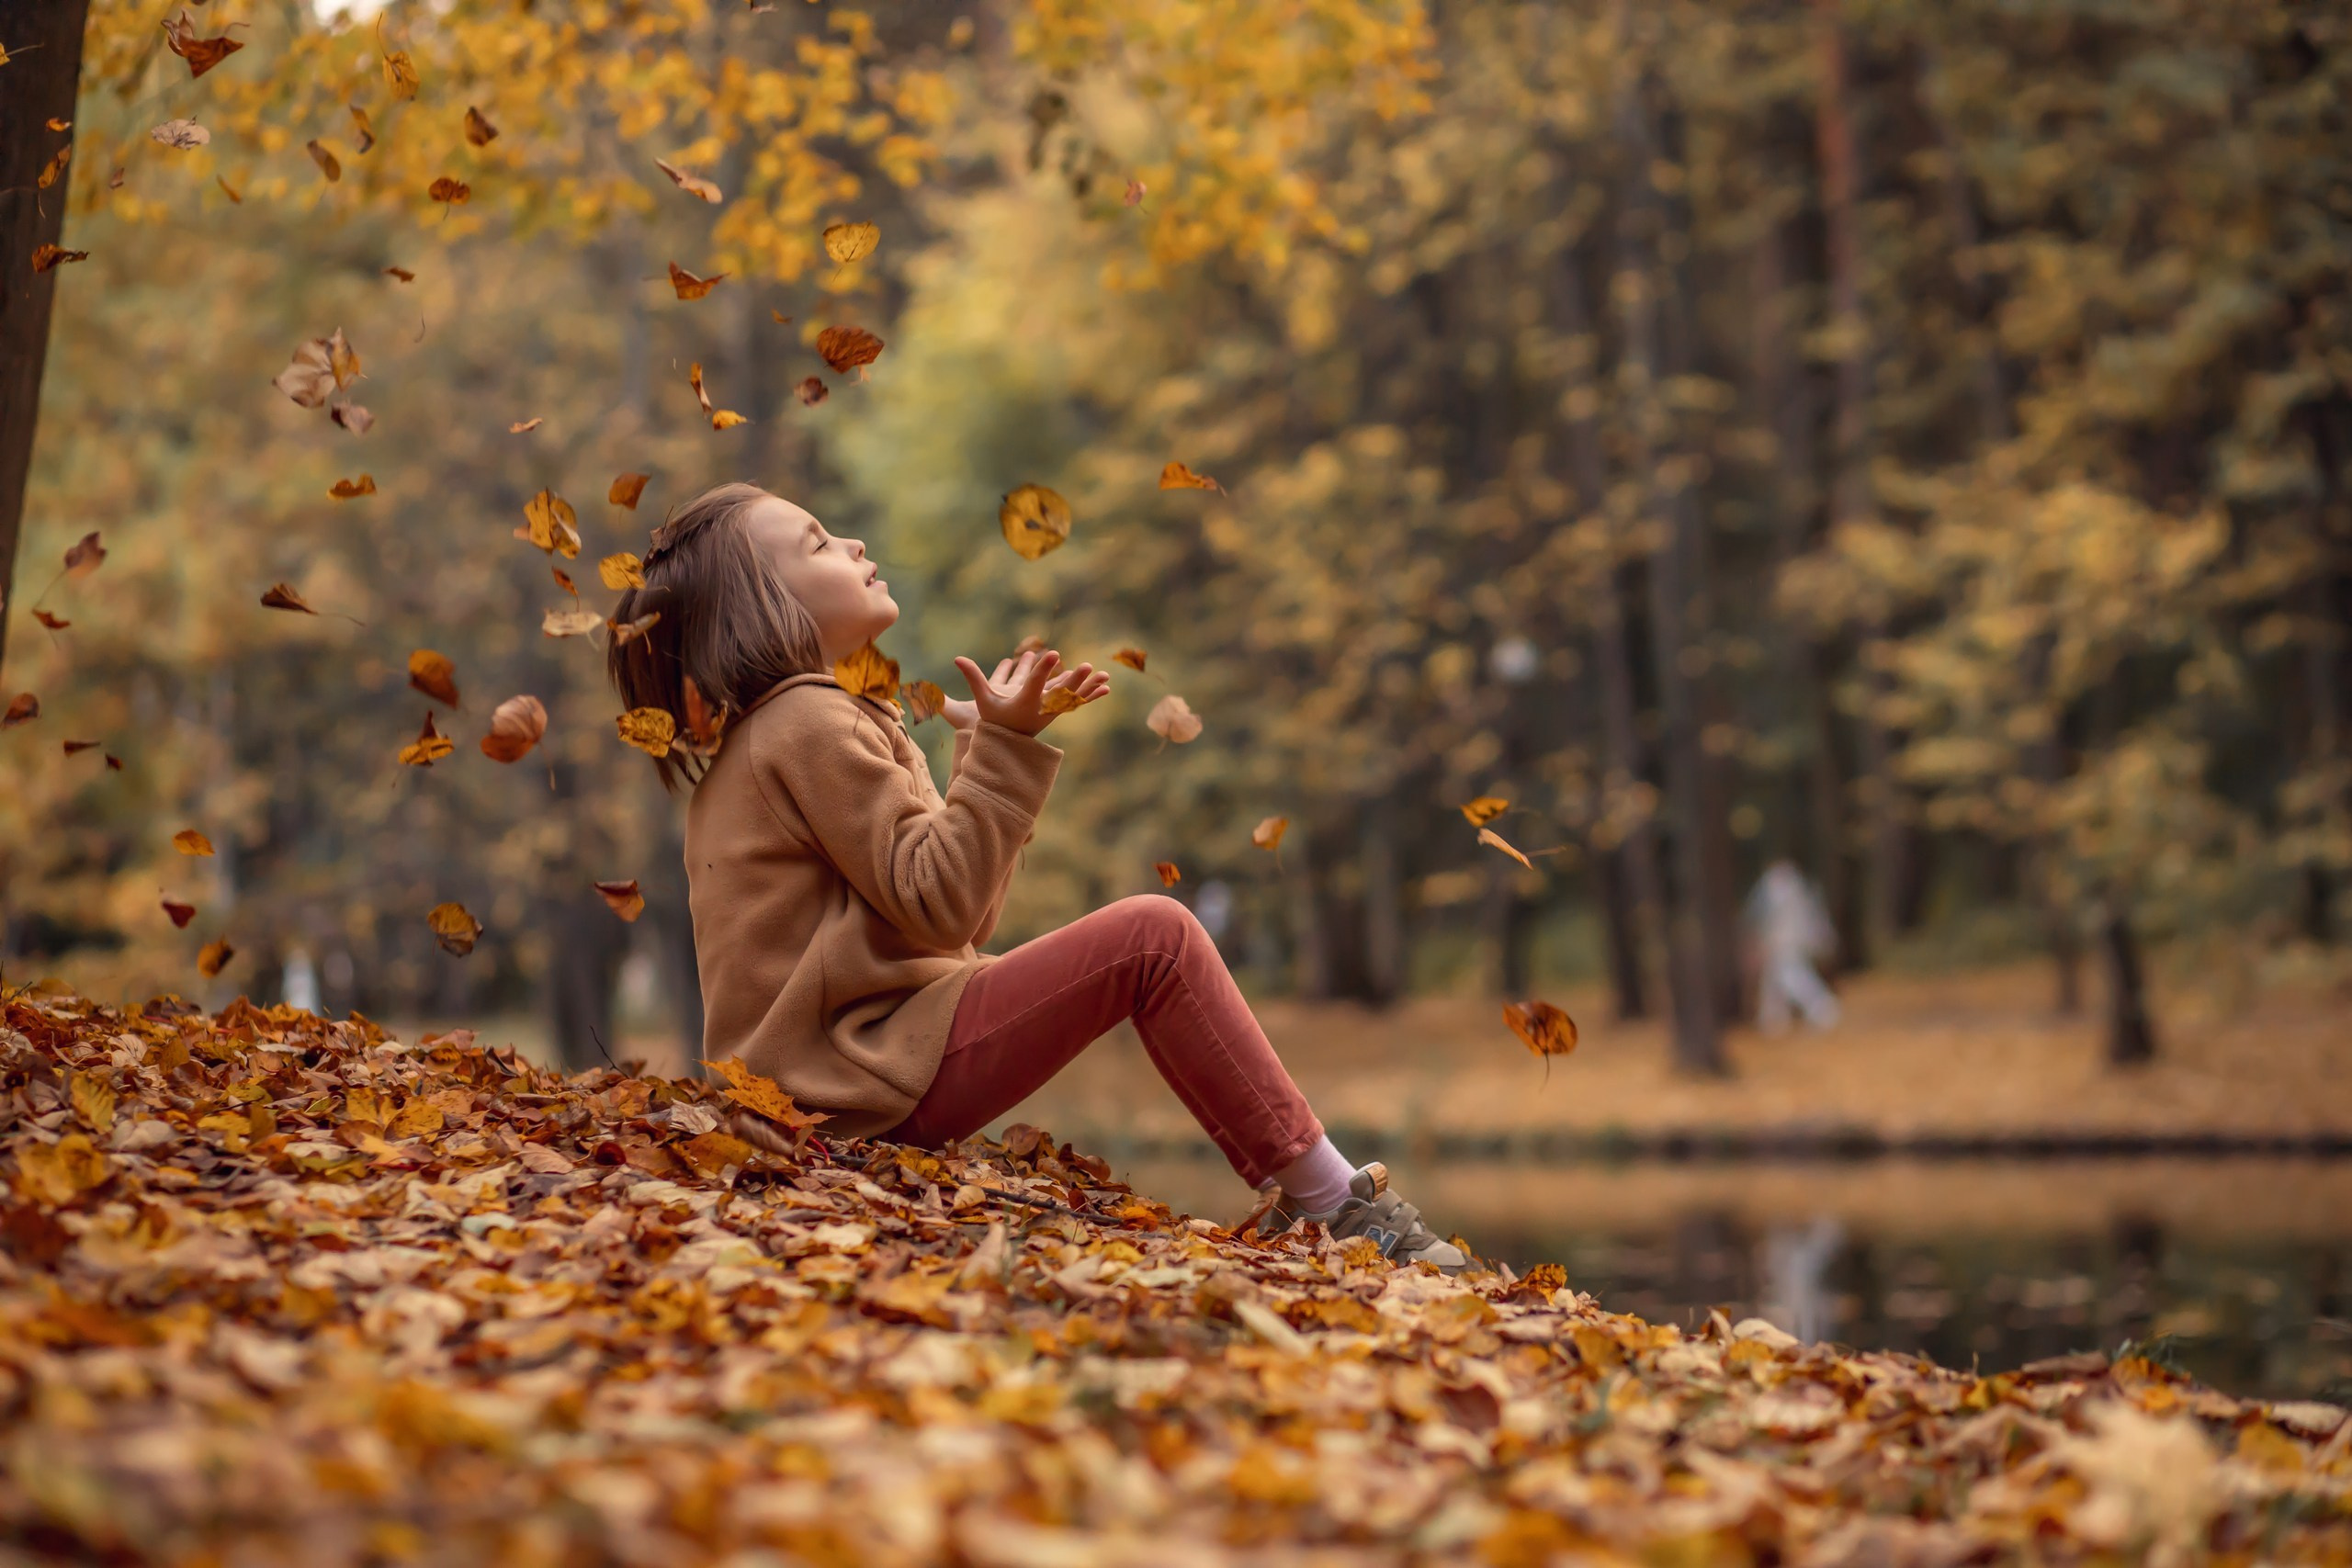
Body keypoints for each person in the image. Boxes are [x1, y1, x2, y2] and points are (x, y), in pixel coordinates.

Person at [605, 483, 1464, 1270]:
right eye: (821, 543)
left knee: (1146, 942)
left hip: (849, 1070)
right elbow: (945, 910)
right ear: (768, 605)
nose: (858, 544)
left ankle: (1329, 1198)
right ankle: (1338, 1205)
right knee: (1155, 938)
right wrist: (1004, 753)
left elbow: (953, 919)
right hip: (850, 1080)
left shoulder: (798, 725)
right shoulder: (807, 723)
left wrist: (984, 746)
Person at [1745, 859, 1841, 1032]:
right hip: (1783, 943)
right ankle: (1773, 1019)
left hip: (1785, 943)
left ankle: (1822, 1007)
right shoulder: (1793, 886)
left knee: (1792, 976)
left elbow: (1763, 917)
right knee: (1773, 980)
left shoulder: (1779, 887)